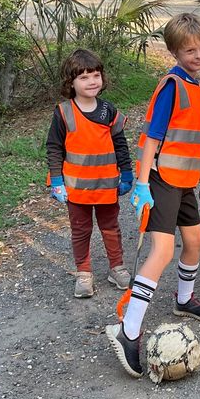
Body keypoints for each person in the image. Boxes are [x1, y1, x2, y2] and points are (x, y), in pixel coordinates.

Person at [106, 13, 200, 378]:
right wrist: (141, 183)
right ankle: (130, 330)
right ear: (174, 51)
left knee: (195, 239)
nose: (198, 55)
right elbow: (152, 139)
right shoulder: (172, 84)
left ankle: (184, 300)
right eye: (190, 50)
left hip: (185, 178)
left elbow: (194, 142)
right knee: (163, 250)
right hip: (163, 179)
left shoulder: (195, 84)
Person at [45, 48, 135, 299]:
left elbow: (120, 144)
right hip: (76, 188)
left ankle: (117, 268)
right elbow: (54, 148)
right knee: (81, 230)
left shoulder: (108, 110)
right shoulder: (63, 112)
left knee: (110, 227)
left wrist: (127, 173)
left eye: (95, 75)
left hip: (107, 185)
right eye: (83, 77)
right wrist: (57, 181)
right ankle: (83, 274)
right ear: (71, 83)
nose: (92, 81)